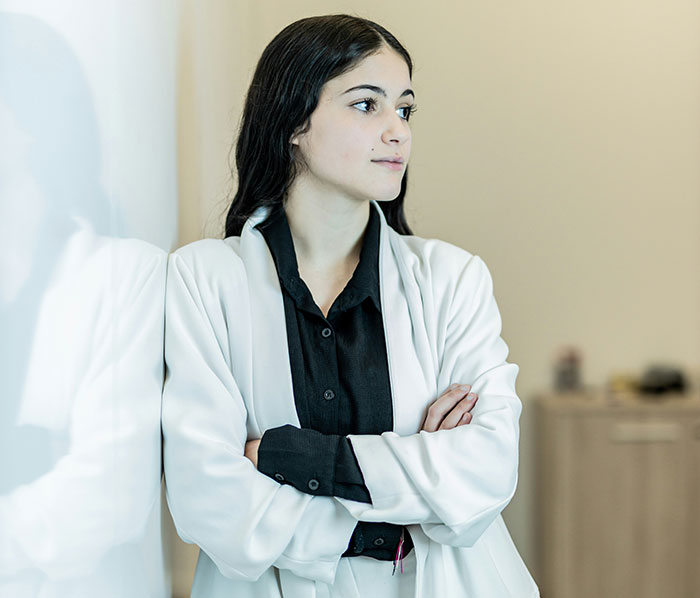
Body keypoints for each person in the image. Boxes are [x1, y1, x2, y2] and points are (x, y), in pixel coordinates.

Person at [162, 13, 539, 598]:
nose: (398, 132)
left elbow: (485, 470)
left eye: (405, 109)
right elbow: (206, 496)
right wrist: (401, 506)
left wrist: (289, 456)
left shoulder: (452, 278)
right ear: (292, 120)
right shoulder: (205, 278)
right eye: (367, 105)